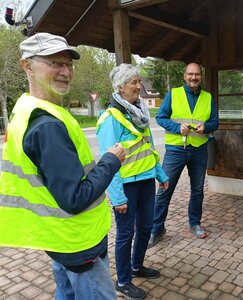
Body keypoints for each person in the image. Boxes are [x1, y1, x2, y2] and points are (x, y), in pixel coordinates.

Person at [0, 33, 125, 299]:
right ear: (27, 66)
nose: (65, 72)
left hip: (57, 238)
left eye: (68, 64)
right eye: (55, 63)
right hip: (78, 241)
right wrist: (111, 160)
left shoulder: (25, 109)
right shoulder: (48, 125)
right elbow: (75, 198)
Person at [96, 63, 169, 300]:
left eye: (139, 81)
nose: (139, 86)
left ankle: (137, 266)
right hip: (126, 186)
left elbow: (147, 148)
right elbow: (109, 162)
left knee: (146, 227)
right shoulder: (110, 118)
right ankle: (124, 282)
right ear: (120, 87)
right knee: (126, 234)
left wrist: (160, 174)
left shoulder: (140, 114)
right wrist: (117, 197)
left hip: (147, 181)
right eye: (133, 82)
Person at [148, 62, 219, 247]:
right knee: (164, 189)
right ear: (184, 76)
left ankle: (194, 223)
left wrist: (207, 127)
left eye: (197, 74)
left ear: (201, 76)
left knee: (197, 191)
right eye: (190, 74)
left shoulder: (208, 97)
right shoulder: (173, 94)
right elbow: (161, 117)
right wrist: (177, 128)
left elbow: (215, 122)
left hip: (199, 149)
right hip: (175, 150)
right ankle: (156, 229)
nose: (193, 77)